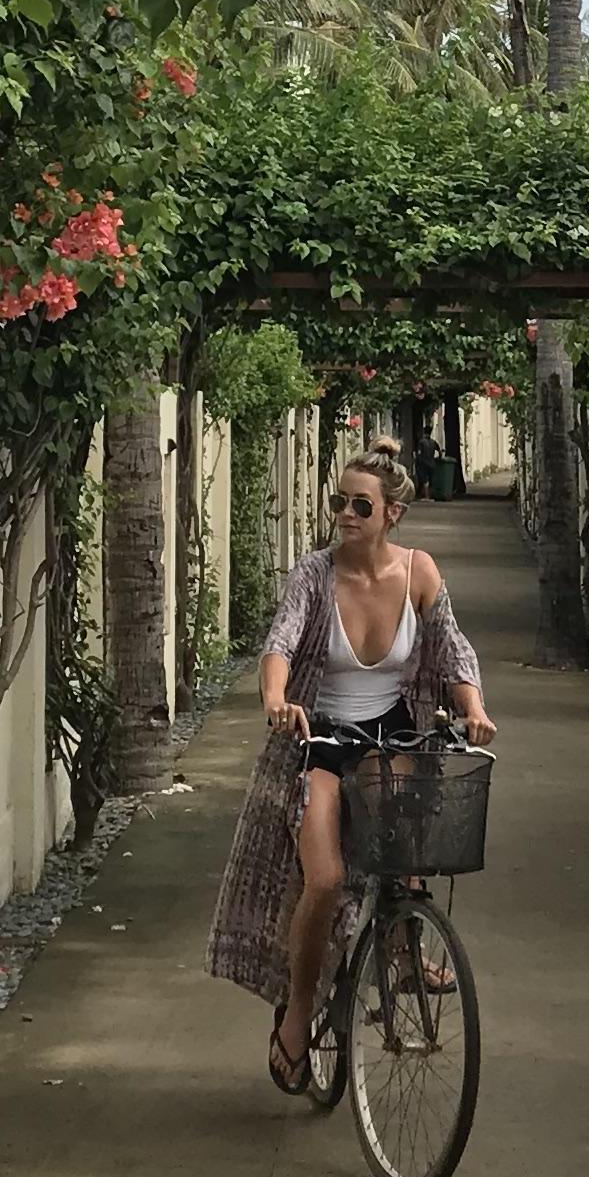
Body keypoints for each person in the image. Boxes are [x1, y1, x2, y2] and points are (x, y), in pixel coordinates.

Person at [206, 447, 494, 1088]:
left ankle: (403, 937)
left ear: (392, 513)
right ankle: (299, 1011)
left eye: (360, 505)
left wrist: (472, 707)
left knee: (407, 842)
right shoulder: (314, 574)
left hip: (392, 735)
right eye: (338, 501)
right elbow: (280, 642)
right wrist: (277, 700)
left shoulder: (419, 572)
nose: (345, 514)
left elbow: (452, 650)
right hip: (322, 739)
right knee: (328, 877)